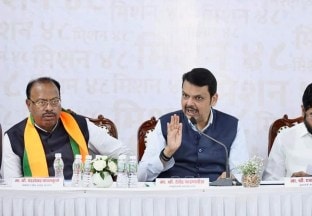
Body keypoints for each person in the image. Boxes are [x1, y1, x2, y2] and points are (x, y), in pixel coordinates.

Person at [0, 77, 130, 180]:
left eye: (55, 101)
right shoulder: (14, 137)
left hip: (81, 200)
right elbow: (12, 186)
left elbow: (124, 154)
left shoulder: (79, 125)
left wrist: (109, 177)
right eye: (42, 102)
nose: (49, 108)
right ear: (29, 105)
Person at [138, 68, 249, 182]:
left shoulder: (232, 126)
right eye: (185, 95)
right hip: (174, 196)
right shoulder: (165, 123)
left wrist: (232, 178)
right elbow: (141, 177)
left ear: (213, 99)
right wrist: (168, 152)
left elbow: (242, 174)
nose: (189, 103)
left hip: (213, 196)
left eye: (198, 98)